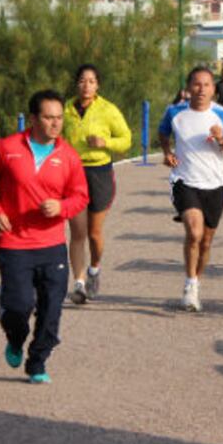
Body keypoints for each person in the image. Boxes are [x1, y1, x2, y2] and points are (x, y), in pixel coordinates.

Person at [0, 90, 89, 384]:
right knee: (19, 306)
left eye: (59, 118)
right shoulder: (7, 148)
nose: (55, 124)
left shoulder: (68, 156)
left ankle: (37, 362)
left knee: (52, 308)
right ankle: (15, 337)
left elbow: (80, 196)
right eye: (49, 118)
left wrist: (61, 207)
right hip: (13, 242)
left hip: (51, 244)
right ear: (33, 119)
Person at [159, 66, 223, 311]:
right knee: (194, 233)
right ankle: (190, 284)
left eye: (206, 85)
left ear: (214, 89)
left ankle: (197, 280)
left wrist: (221, 140)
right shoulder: (175, 112)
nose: (201, 90)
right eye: (196, 84)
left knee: (206, 242)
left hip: (215, 185)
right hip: (184, 181)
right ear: (188, 87)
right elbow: (163, 133)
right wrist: (168, 153)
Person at [63, 64, 132, 304]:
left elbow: (126, 140)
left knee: (94, 233)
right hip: (73, 174)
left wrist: (105, 143)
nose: (86, 85)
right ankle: (79, 283)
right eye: (82, 80)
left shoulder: (108, 110)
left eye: (91, 81)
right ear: (76, 84)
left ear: (97, 85)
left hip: (100, 172)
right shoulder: (66, 110)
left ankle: (94, 269)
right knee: (77, 232)